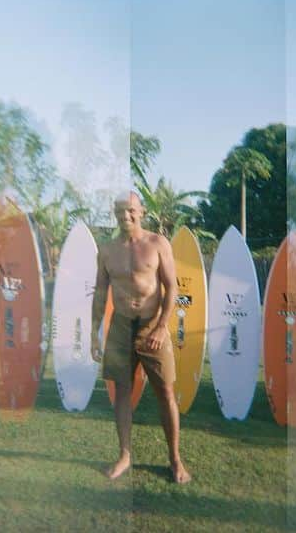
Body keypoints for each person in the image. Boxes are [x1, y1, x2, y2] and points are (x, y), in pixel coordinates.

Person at [90, 192, 189, 484]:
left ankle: (175, 459)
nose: (126, 216)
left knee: (166, 393)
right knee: (121, 392)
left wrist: (161, 326)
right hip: (120, 326)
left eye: (131, 210)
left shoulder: (158, 244)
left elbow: (171, 289)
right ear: (115, 213)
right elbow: (99, 292)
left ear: (141, 211)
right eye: (120, 211)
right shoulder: (106, 251)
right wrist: (96, 330)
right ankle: (124, 455)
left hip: (151, 327)